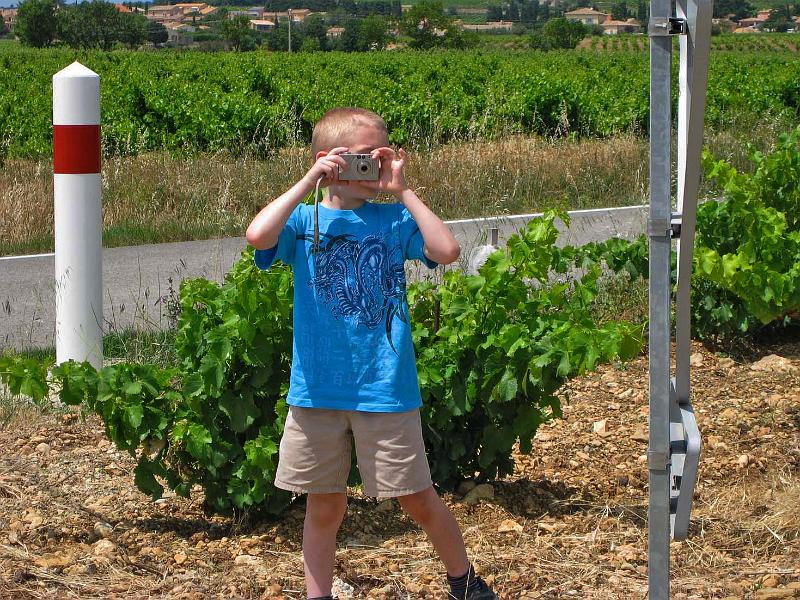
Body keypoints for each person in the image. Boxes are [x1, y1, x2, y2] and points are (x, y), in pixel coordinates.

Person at [245, 107, 500, 600]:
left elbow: (447, 252)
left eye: (380, 157)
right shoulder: (304, 220)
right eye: (362, 159)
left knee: (417, 498)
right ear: (329, 160)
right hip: (317, 391)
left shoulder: (393, 217)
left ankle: (464, 582)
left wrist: (403, 189)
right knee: (324, 508)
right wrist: (308, 181)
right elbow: (258, 236)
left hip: (384, 388)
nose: (373, 169)